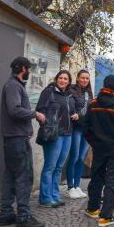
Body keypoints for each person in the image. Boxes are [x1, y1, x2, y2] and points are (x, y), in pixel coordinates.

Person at [0, 57, 45, 227]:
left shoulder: (15, 86)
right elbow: (15, 110)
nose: (29, 72)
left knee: (10, 176)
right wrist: (35, 114)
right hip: (16, 141)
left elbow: (16, 112)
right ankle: (23, 217)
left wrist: (28, 128)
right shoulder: (13, 86)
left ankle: (6, 214)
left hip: (15, 138)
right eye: (29, 69)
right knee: (23, 177)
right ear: (23, 69)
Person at [84, 74, 114, 227]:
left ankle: (92, 208)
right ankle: (106, 216)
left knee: (96, 176)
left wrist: (94, 142)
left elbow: (86, 128)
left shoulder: (93, 103)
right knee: (112, 180)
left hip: (98, 147)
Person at [35, 70, 77, 207]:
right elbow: (40, 110)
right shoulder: (49, 92)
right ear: (56, 79)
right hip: (55, 134)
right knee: (50, 166)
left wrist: (75, 114)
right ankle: (45, 197)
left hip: (68, 134)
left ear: (69, 81)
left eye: (66, 79)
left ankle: (54, 194)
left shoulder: (70, 95)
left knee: (59, 167)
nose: (63, 80)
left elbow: (71, 110)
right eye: (61, 78)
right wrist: (48, 122)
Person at [66, 69, 93, 200]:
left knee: (82, 158)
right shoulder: (72, 91)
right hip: (76, 129)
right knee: (74, 156)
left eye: (87, 78)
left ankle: (77, 186)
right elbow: (71, 110)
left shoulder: (89, 92)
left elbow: (90, 111)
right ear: (77, 78)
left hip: (86, 130)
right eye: (82, 78)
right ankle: (70, 186)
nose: (84, 80)